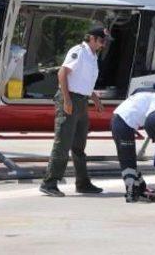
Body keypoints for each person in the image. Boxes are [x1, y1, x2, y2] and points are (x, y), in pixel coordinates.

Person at [40, 26, 110, 197]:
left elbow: (83, 82)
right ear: (92, 38)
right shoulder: (79, 51)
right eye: (101, 41)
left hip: (82, 101)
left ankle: (83, 182)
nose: (103, 45)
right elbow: (62, 73)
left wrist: (95, 99)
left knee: (79, 145)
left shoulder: (92, 56)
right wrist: (67, 99)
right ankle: (49, 182)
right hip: (70, 99)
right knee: (63, 143)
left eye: (105, 42)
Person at [111, 80, 155, 203]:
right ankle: (131, 193)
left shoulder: (145, 91)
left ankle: (141, 189)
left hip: (117, 118)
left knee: (128, 158)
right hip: (125, 123)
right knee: (128, 160)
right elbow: (153, 117)